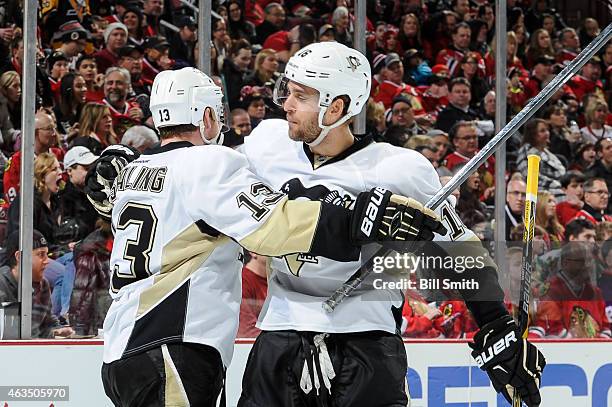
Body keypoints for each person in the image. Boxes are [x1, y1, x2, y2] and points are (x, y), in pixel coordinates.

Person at [86, 67, 443, 406]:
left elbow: (104, 198)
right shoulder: (209, 162)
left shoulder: (134, 170)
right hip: (171, 339)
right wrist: (359, 218)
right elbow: (274, 226)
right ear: (207, 117)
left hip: (121, 347)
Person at [238, 42, 544, 407]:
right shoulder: (266, 144)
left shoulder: (398, 169)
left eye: (300, 96)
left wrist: (497, 326)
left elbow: (457, 250)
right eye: (288, 92)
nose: (286, 104)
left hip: (364, 344)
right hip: (280, 337)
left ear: (336, 107)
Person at [0, 230, 74, 338]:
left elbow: (48, 324)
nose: (47, 261)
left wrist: (58, 331)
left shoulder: (43, 285)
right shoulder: (2, 285)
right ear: (19, 257)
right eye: (41, 255)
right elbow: (11, 337)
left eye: (46, 254)